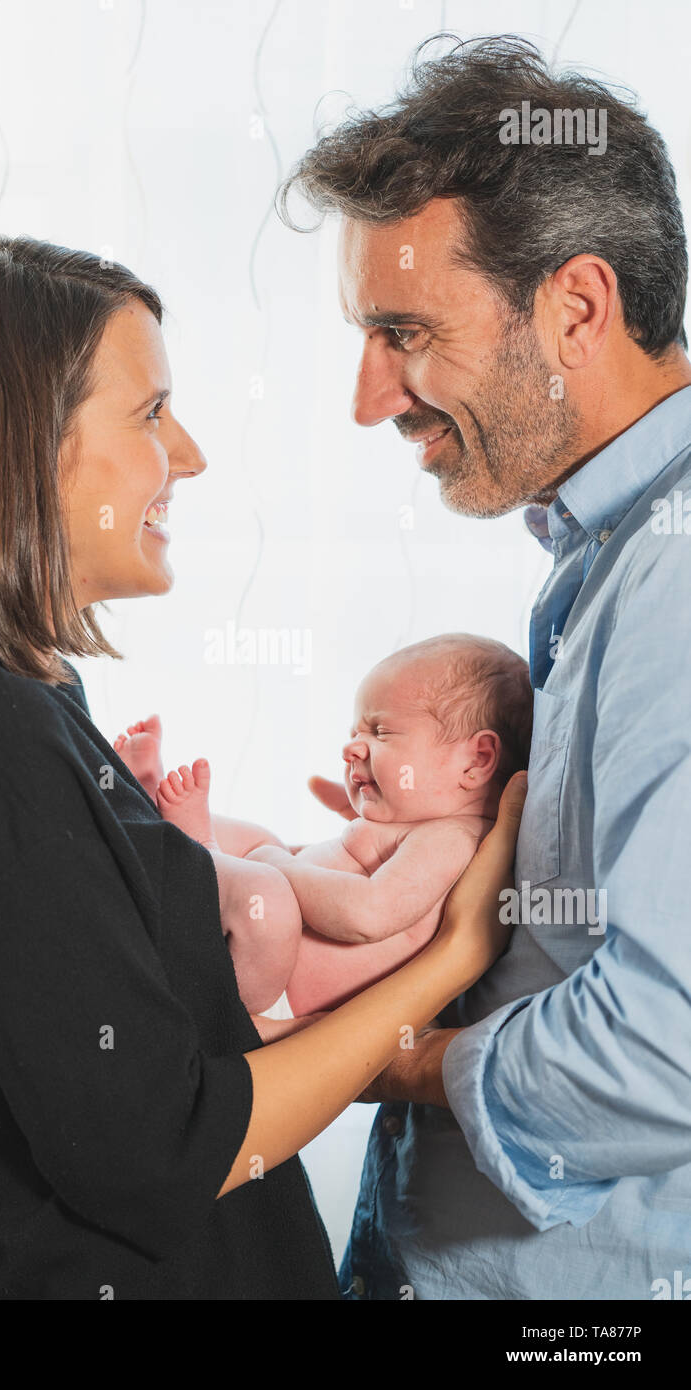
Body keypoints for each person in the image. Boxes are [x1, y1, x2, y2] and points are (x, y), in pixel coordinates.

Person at [0, 235, 525, 1300]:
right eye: (150, 413)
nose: (189, 454)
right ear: (23, 443)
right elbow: (165, 1152)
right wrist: (450, 955)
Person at [277, 33, 691, 1300]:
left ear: (575, 306)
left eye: (402, 331)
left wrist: (398, 1054)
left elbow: (665, 1047)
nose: (368, 399)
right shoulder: (614, 549)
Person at [113, 634, 532, 1016]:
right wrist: (289, 851)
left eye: (380, 731)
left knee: (267, 889)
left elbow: (367, 913)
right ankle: (152, 813)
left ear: (477, 761)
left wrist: (284, 866)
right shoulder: (417, 824)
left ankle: (197, 847)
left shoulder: (454, 840)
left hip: (272, 991)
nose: (351, 747)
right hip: (258, 945)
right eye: (354, 731)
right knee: (260, 840)